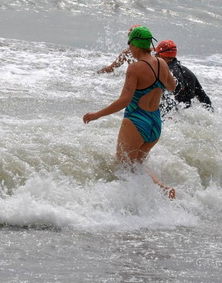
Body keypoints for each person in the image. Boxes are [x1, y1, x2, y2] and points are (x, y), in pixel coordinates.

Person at [83, 26, 177, 197]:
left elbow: (124, 101)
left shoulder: (135, 68)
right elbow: (172, 86)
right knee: (136, 167)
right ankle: (160, 192)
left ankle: (133, 205)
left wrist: (97, 114)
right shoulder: (162, 63)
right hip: (155, 124)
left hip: (137, 121)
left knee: (125, 165)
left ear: (134, 45)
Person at [154, 40, 213, 116]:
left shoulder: (165, 73)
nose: (154, 57)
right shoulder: (188, 72)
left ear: (162, 56)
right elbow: (205, 100)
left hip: (170, 119)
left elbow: (167, 104)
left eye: (156, 54)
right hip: (185, 116)